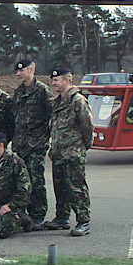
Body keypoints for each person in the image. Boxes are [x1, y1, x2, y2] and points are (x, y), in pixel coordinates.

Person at [46, 66, 94, 236]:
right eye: (52, 80)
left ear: (67, 80)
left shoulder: (77, 101)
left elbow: (87, 127)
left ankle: (83, 220)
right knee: (60, 187)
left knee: (76, 187)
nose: (53, 83)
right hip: (58, 153)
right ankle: (62, 218)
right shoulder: (57, 102)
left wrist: (81, 148)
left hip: (73, 153)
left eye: (56, 80)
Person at [11, 58, 53, 230]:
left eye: (23, 70)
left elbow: (52, 116)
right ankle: (23, 214)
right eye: (18, 71)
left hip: (36, 145)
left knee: (36, 180)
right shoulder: (18, 92)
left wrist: (44, 139)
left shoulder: (43, 91)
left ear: (32, 70)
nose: (19, 74)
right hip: (20, 144)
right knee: (20, 181)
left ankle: (38, 214)